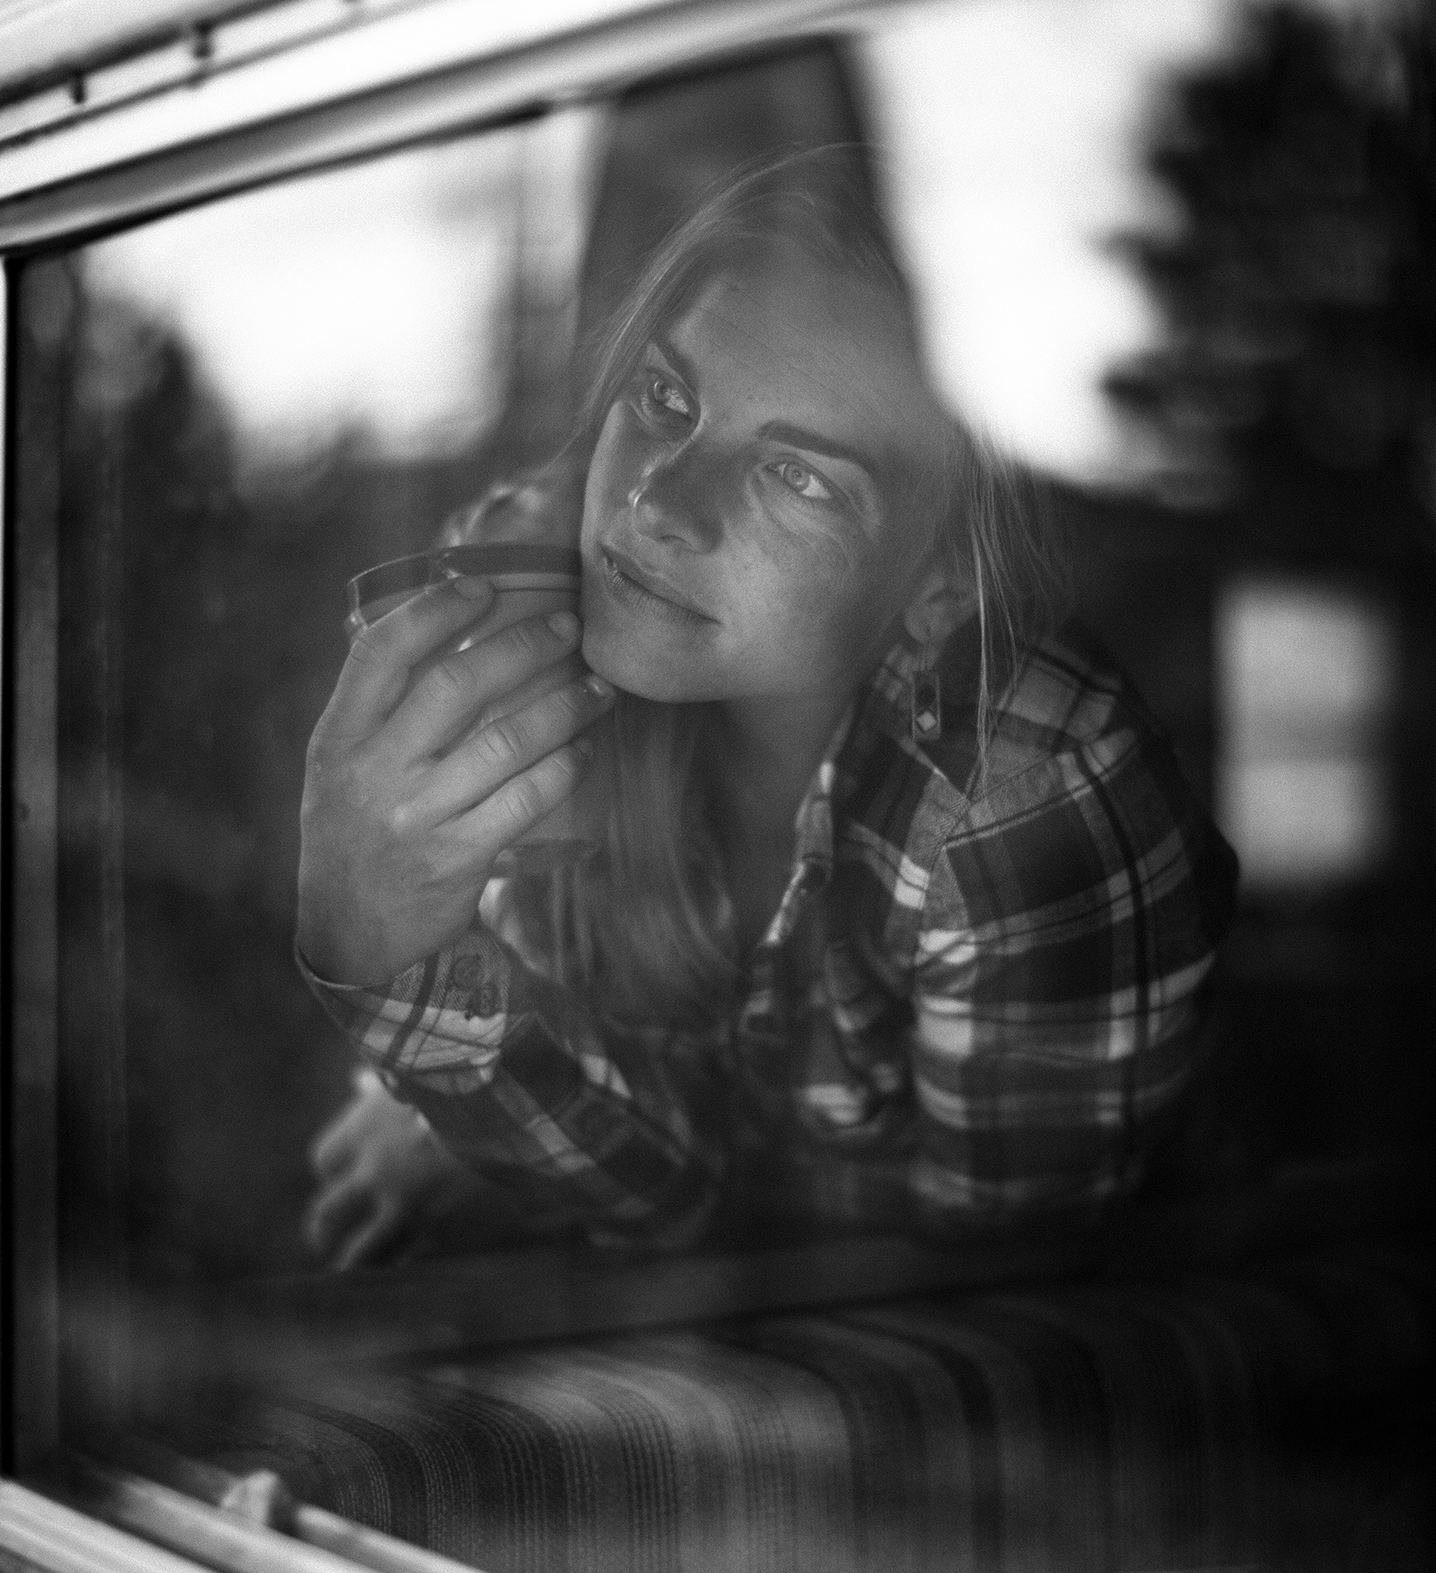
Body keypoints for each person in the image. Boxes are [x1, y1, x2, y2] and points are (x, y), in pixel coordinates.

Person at [296, 150, 1237, 1264]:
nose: (655, 503)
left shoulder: (1025, 789)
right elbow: (659, 1177)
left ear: (931, 570)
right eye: (663, 398)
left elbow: (978, 1303)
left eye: (798, 476)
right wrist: (394, 964)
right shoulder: (525, 613)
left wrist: (458, 1101)